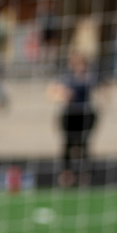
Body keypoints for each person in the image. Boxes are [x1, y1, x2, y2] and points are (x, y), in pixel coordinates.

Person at [48, 49, 101, 187]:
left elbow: (103, 87)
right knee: (68, 144)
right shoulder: (66, 78)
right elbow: (51, 92)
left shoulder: (90, 77)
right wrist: (63, 95)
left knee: (84, 144)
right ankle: (67, 175)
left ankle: (84, 174)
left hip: (85, 115)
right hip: (70, 115)